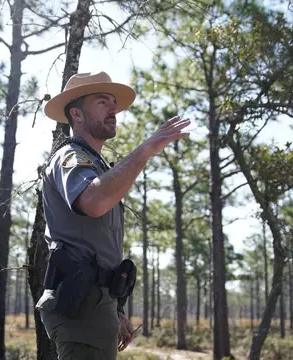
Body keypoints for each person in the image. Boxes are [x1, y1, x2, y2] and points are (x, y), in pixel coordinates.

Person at [35, 71, 191, 359]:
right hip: (79, 311)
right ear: (77, 115)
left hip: (96, 308)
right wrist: (144, 150)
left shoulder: (98, 167)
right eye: (102, 101)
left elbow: (97, 249)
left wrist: (114, 309)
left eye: (113, 103)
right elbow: (93, 202)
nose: (113, 109)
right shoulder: (70, 157)